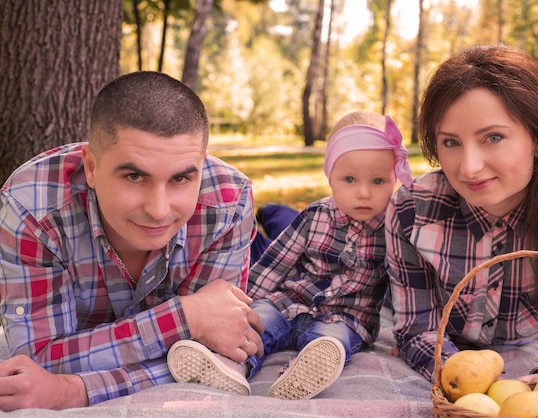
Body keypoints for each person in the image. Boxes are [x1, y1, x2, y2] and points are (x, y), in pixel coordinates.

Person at [0, 71, 265, 410]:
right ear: (92, 167)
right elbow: (40, 359)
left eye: (181, 178)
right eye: (134, 176)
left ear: (201, 165)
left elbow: (217, 356)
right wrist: (187, 318)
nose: (158, 209)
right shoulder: (33, 210)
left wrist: (74, 391)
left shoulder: (228, 203)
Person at [385, 44, 538, 383]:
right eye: (451, 142)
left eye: (492, 137)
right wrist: (471, 383)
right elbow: (416, 329)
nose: (469, 168)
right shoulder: (411, 210)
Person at [167, 111, 414, 400]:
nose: (363, 193)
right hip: (291, 302)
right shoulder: (315, 216)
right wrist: (242, 307)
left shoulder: (394, 229)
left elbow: (404, 286)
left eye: (377, 181)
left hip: (347, 318)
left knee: (331, 341)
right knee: (257, 322)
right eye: (349, 179)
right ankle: (231, 366)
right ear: (330, 177)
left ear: (394, 180)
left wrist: (406, 338)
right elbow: (275, 264)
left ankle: (303, 373)